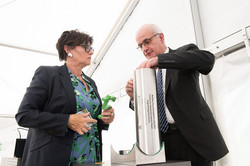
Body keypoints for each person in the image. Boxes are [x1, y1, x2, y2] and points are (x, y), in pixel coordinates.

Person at [125, 24, 228, 166]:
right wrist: (133, 97)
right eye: (140, 46)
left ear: (161, 37)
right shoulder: (147, 73)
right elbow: (147, 113)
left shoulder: (183, 53)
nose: (144, 49)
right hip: (162, 143)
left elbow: (207, 60)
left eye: (147, 42)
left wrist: (161, 60)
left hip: (193, 140)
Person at [15, 29, 115, 166]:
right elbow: (24, 115)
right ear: (68, 49)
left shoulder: (91, 83)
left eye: (91, 48)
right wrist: (67, 121)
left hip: (89, 159)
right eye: (86, 47)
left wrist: (104, 120)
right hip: (55, 158)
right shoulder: (48, 74)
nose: (91, 52)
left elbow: (88, 120)